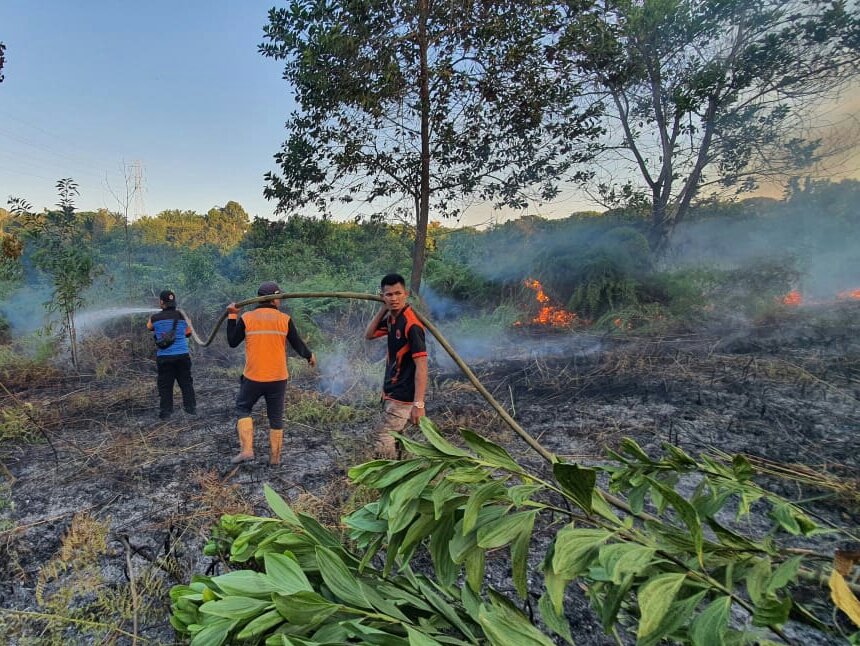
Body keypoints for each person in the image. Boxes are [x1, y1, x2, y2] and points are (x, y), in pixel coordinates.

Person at [226, 281, 317, 465]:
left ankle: (247, 451)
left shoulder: (248, 317)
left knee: (243, 409)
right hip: (278, 378)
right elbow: (297, 344)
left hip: (253, 377)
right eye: (279, 297)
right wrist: (309, 356)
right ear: (274, 299)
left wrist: (232, 316)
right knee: (275, 417)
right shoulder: (285, 319)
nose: (280, 301)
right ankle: (275, 459)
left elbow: (232, 341)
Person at [364, 273, 428, 458]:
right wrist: (383, 309)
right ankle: (401, 474)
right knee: (399, 439)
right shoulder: (393, 319)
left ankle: (387, 476)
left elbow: (422, 367)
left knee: (383, 435)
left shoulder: (411, 325)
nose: (394, 298)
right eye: (389, 295)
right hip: (392, 390)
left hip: (404, 395)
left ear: (406, 294)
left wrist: (419, 404)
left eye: (398, 293)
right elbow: (369, 334)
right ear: (382, 296)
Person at [147, 289, 196, 419]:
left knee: (165, 386)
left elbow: (149, 327)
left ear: (162, 302)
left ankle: (166, 413)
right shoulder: (183, 316)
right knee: (186, 383)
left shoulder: (154, 318)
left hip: (164, 357)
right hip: (182, 356)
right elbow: (188, 333)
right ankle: (191, 410)